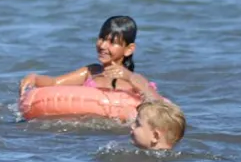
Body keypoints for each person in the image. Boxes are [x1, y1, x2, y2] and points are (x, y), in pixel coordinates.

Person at [20, 16, 160, 103]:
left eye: (112, 42)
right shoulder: (91, 72)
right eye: (102, 39)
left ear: (129, 49)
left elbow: (158, 103)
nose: (103, 46)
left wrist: (128, 76)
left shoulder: (134, 80)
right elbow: (54, 83)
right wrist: (35, 78)